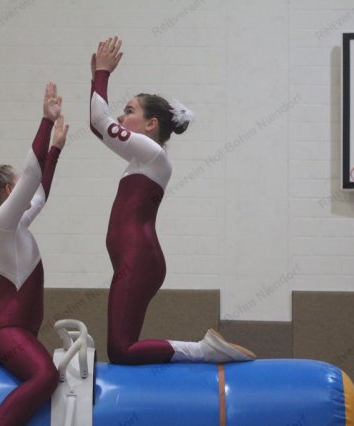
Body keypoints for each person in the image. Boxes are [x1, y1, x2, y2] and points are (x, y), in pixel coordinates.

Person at [90, 37, 256, 365]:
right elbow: (99, 126)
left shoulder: (152, 154)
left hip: (138, 259)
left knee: (121, 350)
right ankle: (199, 352)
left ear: (151, 124)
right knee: (122, 349)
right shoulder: (142, 160)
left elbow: (100, 122)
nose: (121, 117)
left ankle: (203, 350)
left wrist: (102, 74)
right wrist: (96, 76)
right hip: (135, 259)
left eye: (129, 111)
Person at [0, 82, 68, 425]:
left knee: (48, 379)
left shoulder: (16, 224)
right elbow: (33, 175)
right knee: (46, 377)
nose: (26, 185)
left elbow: (40, 194)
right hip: (6, 331)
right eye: (19, 183)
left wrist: (55, 151)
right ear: (10, 190)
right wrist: (46, 121)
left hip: (19, 331)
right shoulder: (3, 225)